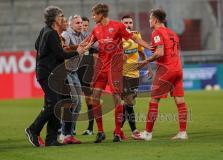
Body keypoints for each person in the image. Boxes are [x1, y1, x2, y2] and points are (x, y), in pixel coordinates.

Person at [83, 3, 152, 143]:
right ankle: (100, 132)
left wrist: (148, 46)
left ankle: (118, 132)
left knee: (116, 100)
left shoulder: (118, 26)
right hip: (101, 69)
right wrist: (72, 47)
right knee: (94, 98)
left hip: (114, 69)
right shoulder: (96, 29)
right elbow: (87, 42)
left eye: (94, 14)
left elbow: (134, 38)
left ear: (101, 14)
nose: (92, 16)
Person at [24, 6, 87, 147]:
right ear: (55, 19)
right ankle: (33, 130)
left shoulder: (45, 31)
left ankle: (51, 139)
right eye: (61, 15)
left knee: (62, 102)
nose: (63, 17)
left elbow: (36, 46)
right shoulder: (51, 34)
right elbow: (61, 55)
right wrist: (78, 51)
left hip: (50, 73)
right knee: (54, 104)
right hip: (49, 73)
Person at [137, 9, 188, 141]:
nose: (149, 21)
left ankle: (147, 133)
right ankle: (182, 132)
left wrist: (145, 61)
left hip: (166, 70)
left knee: (154, 100)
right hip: (178, 69)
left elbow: (159, 53)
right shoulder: (173, 33)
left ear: (155, 20)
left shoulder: (157, 32)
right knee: (180, 101)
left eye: (150, 18)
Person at [120, 15, 153, 140]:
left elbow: (141, 52)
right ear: (121, 23)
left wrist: (148, 68)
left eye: (130, 22)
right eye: (126, 22)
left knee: (128, 104)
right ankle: (134, 131)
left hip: (134, 74)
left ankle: (118, 129)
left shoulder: (136, 36)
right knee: (129, 102)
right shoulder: (119, 37)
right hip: (122, 74)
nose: (128, 24)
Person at [59, 15, 83, 144]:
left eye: (81, 22)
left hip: (74, 72)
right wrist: (78, 47)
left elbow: (90, 46)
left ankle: (69, 132)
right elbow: (62, 49)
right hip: (65, 71)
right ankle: (64, 133)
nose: (80, 24)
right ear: (70, 25)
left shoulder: (82, 35)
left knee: (78, 104)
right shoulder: (66, 34)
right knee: (73, 100)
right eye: (77, 23)